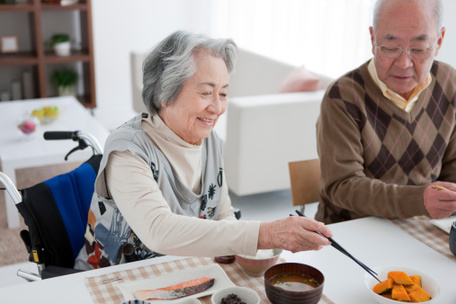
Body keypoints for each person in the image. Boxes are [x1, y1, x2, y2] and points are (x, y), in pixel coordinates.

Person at [74, 30, 332, 270]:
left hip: (178, 273)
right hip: (111, 280)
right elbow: (158, 230)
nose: (218, 107)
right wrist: (266, 234)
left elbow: (223, 214)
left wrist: (251, 253)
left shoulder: (209, 141)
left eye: (223, 94)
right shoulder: (128, 151)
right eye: (207, 92)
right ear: (166, 93)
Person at [315, 0, 456, 224]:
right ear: (373, 39)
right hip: (350, 231)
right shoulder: (343, 96)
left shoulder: (450, 84)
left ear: (438, 42)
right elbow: (343, 186)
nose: (404, 63)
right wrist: (418, 200)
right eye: (390, 48)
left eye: (418, 49)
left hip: (422, 227)